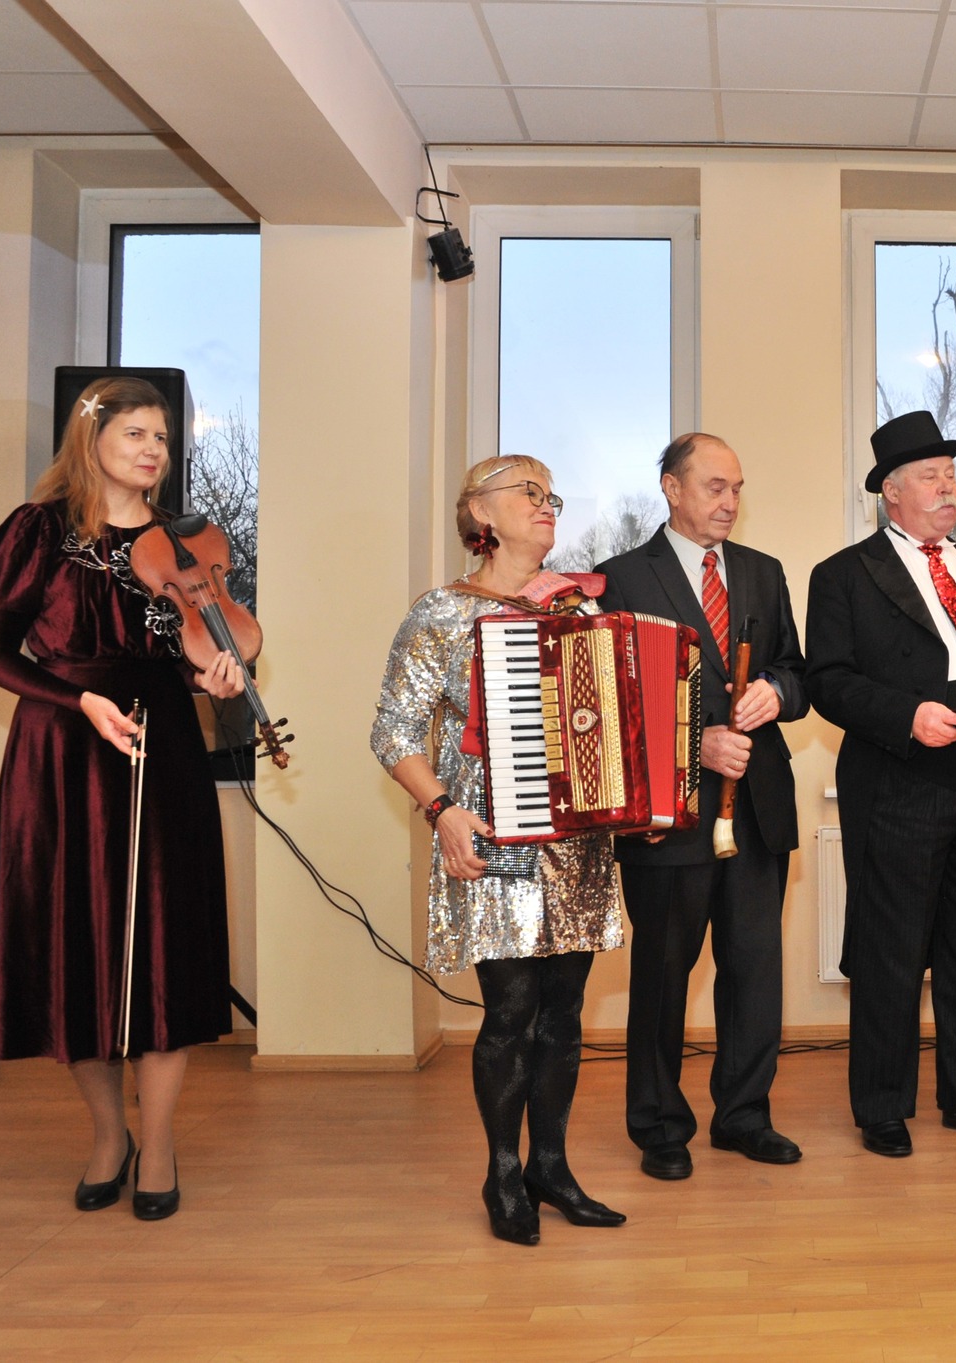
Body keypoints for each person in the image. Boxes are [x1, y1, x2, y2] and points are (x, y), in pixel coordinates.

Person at [0, 376, 244, 1221]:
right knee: (74, 948)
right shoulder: (38, 530)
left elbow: (187, 656)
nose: (154, 448)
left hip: (163, 747)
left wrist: (213, 680)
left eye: (162, 436)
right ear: (89, 439)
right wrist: (77, 699)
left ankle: (157, 1144)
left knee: (164, 947)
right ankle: (107, 1136)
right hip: (62, 745)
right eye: (136, 433)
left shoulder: (184, 543)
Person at [371, 455, 627, 1244]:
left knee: (565, 1011)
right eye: (528, 491)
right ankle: (503, 1172)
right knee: (512, 1009)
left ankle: (551, 1165)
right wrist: (441, 810)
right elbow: (393, 732)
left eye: (552, 495)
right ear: (479, 512)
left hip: (576, 843)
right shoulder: (441, 612)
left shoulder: (581, 610)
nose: (547, 504)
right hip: (489, 836)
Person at [804, 411, 956, 1158]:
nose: (949, 488)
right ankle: (882, 1104)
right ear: (892, 492)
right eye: (931, 477)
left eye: (952, 475)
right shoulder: (844, 573)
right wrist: (908, 716)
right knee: (890, 953)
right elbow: (829, 681)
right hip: (899, 781)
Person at [596, 434, 808, 1180]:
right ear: (672, 488)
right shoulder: (621, 579)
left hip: (758, 808)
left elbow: (797, 671)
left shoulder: (762, 572)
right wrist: (696, 742)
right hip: (669, 814)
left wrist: (775, 692)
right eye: (715, 486)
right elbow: (610, 706)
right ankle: (659, 1125)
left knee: (754, 972)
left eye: (737, 488)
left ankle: (744, 1116)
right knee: (663, 977)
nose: (729, 501)